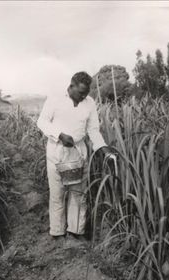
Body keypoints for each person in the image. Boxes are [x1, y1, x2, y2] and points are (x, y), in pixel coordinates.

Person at [37, 71, 115, 246]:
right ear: (71, 86)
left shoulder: (89, 103)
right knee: (57, 193)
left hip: (78, 150)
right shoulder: (55, 98)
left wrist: (102, 147)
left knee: (78, 193)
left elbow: (93, 130)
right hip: (57, 150)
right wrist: (59, 135)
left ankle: (75, 232)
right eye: (81, 93)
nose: (83, 97)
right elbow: (41, 122)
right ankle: (57, 233)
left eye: (86, 93)